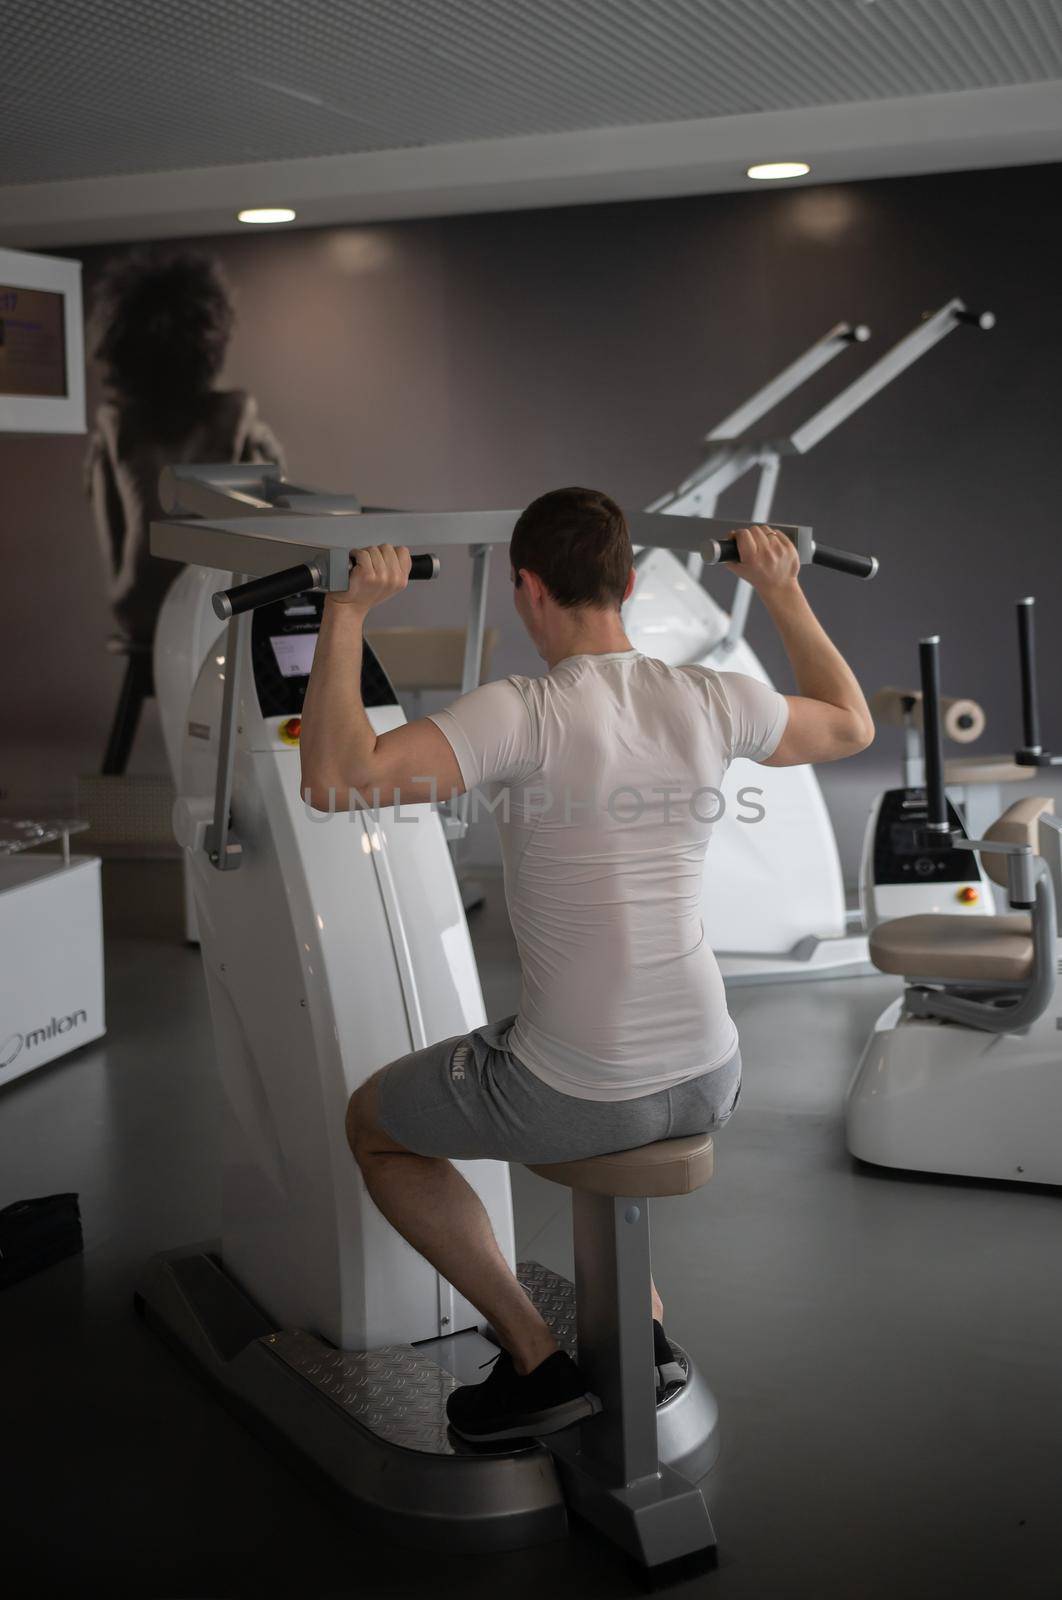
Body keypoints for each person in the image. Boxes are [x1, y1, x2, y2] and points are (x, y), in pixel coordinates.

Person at [299, 488, 873, 1443]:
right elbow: (849, 725)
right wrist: (780, 590)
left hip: (581, 1085)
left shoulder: (518, 712)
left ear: (526, 589)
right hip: (713, 1072)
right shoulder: (711, 695)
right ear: (631, 584)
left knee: (378, 1126)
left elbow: (333, 777)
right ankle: (639, 1338)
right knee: (583, 1089)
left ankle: (535, 1362)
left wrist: (349, 611)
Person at [85, 249, 283, 768]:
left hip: (139, 606)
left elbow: (112, 529)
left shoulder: (114, 425)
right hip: (220, 602)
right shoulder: (236, 411)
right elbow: (269, 514)